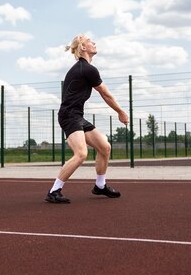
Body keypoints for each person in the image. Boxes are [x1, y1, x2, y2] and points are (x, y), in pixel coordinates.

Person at [45, 34, 129, 204]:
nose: (95, 43)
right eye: (91, 41)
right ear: (83, 47)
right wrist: (121, 112)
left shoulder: (85, 68)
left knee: (104, 147)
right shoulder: (86, 68)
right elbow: (105, 94)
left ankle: (100, 185)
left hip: (77, 115)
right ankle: (54, 190)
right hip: (69, 115)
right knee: (81, 153)